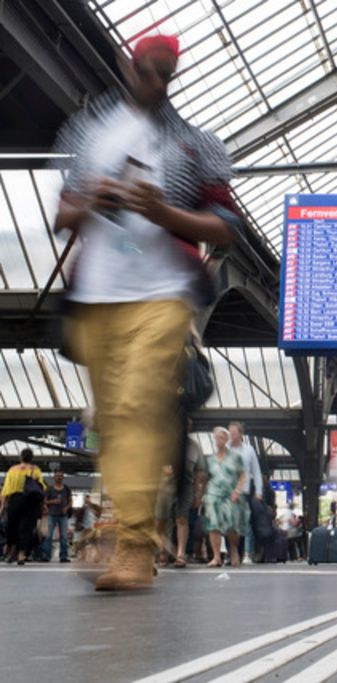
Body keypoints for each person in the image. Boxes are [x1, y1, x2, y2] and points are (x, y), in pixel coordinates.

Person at [52, 34, 238, 591]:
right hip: (97, 297)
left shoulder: (194, 144)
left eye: (167, 74)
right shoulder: (88, 132)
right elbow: (63, 216)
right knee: (114, 422)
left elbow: (226, 228)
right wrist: (93, 201)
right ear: (126, 64)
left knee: (136, 407)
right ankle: (125, 533)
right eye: (149, 70)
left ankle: (133, 545)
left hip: (164, 293)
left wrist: (164, 213)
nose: (158, 82)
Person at [198, 427, 247, 567]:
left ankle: (233, 549)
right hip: (213, 494)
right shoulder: (210, 459)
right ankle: (216, 556)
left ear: (226, 439)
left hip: (230, 494)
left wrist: (238, 490)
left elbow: (243, 475)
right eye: (216, 437)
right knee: (213, 525)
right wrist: (201, 495)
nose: (218, 440)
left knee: (232, 525)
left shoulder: (235, 457)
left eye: (221, 437)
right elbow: (206, 479)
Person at [154, 433, 202, 568]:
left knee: (182, 519)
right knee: (160, 522)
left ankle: (180, 555)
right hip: (164, 488)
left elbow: (199, 472)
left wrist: (197, 494)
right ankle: (163, 550)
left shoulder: (194, 446)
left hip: (185, 487)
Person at [0, 449, 46, 565]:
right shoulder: (35, 470)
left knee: (12, 527)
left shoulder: (12, 470)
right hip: (30, 502)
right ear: (31, 458)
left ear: (20, 457)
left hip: (14, 501)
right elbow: (41, 488)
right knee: (26, 528)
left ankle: (11, 553)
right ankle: (21, 554)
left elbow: (6, 488)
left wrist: (3, 505)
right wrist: (43, 504)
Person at [228, 422, 262, 565]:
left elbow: (256, 471)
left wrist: (259, 491)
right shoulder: (225, 449)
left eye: (234, 433)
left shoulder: (249, 450)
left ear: (241, 434)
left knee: (245, 523)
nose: (231, 436)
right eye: (230, 433)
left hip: (245, 491)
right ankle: (232, 553)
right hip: (228, 492)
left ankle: (247, 553)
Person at [42, 471, 73, 563]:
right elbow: (45, 502)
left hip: (63, 516)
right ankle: (46, 556)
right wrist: (53, 502)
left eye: (60, 476)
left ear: (63, 477)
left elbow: (70, 501)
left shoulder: (66, 488)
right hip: (52, 515)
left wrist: (67, 508)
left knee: (64, 536)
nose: (59, 477)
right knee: (49, 536)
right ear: (53, 478)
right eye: (57, 476)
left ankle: (63, 556)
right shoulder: (49, 489)